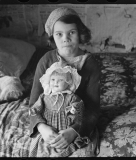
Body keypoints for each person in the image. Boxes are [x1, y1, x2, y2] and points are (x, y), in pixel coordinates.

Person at [28, 7, 100, 157]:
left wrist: (73, 131)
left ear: (80, 34)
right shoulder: (46, 60)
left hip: (78, 125)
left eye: (71, 33)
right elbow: (34, 103)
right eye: (59, 34)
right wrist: (42, 128)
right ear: (52, 37)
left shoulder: (90, 63)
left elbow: (93, 108)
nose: (65, 38)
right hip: (49, 126)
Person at [28, 62, 86, 157]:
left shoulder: (72, 97)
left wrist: (74, 109)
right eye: (53, 79)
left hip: (66, 132)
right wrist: (35, 115)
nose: (55, 82)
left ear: (68, 83)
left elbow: (79, 112)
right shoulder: (44, 97)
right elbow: (35, 109)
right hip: (49, 131)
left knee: (78, 150)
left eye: (60, 80)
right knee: (41, 150)